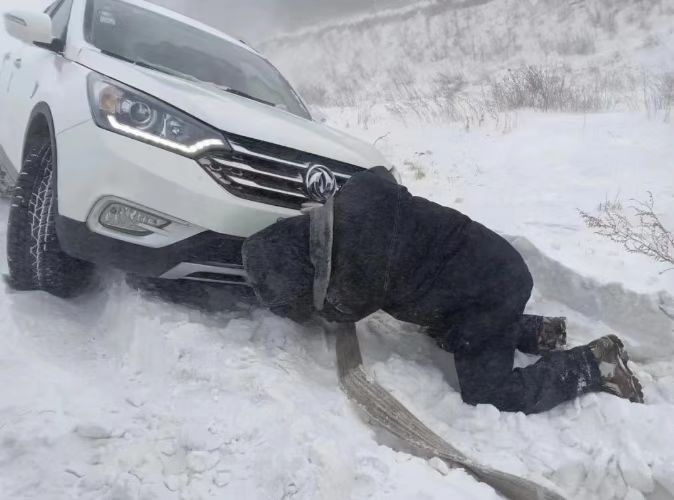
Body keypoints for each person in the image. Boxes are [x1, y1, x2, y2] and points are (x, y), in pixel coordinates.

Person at [242, 167, 644, 414]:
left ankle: (594, 364)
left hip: (491, 289)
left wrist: (308, 305)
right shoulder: (351, 207)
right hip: (485, 267)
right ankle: (535, 331)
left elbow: (336, 310)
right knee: (446, 332)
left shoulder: (358, 275)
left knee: (488, 395)